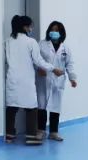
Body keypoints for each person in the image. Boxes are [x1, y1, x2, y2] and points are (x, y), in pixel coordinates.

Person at [5, 15, 62, 145]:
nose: (31, 29)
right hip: (26, 81)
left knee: (11, 107)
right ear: (25, 27)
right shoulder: (31, 42)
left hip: (12, 79)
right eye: (30, 26)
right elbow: (38, 61)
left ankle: (9, 135)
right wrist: (53, 68)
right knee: (31, 108)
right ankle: (31, 137)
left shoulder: (8, 41)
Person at [37, 20, 78, 141]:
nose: (53, 32)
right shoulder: (42, 44)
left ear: (61, 33)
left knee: (56, 107)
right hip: (44, 79)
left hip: (58, 81)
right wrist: (39, 68)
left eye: (56, 30)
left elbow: (69, 64)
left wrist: (72, 78)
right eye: (52, 29)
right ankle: (41, 131)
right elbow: (36, 59)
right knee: (42, 106)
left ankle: (54, 132)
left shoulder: (65, 48)